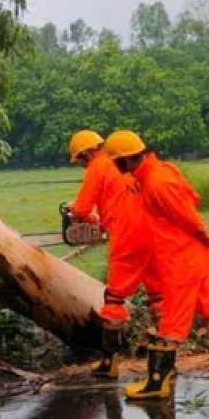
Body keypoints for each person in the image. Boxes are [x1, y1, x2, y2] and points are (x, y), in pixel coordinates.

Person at [103, 131, 209, 400]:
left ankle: (157, 383)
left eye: (115, 162)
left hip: (181, 260)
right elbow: (191, 197)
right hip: (190, 259)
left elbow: (187, 214)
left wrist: (204, 235)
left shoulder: (156, 182)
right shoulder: (154, 174)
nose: (115, 168)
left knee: (171, 322)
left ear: (123, 160)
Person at [67, 130, 156, 380]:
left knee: (114, 300)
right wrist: (98, 217)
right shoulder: (124, 162)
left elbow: (83, 207)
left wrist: (76, 213)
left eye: (81, 159)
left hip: (125, 237)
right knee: (158, 296)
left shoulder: (98, 167)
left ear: (86, 153)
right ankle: (165, 362)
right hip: (149, 232)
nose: (83, 164)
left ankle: (110, 362)